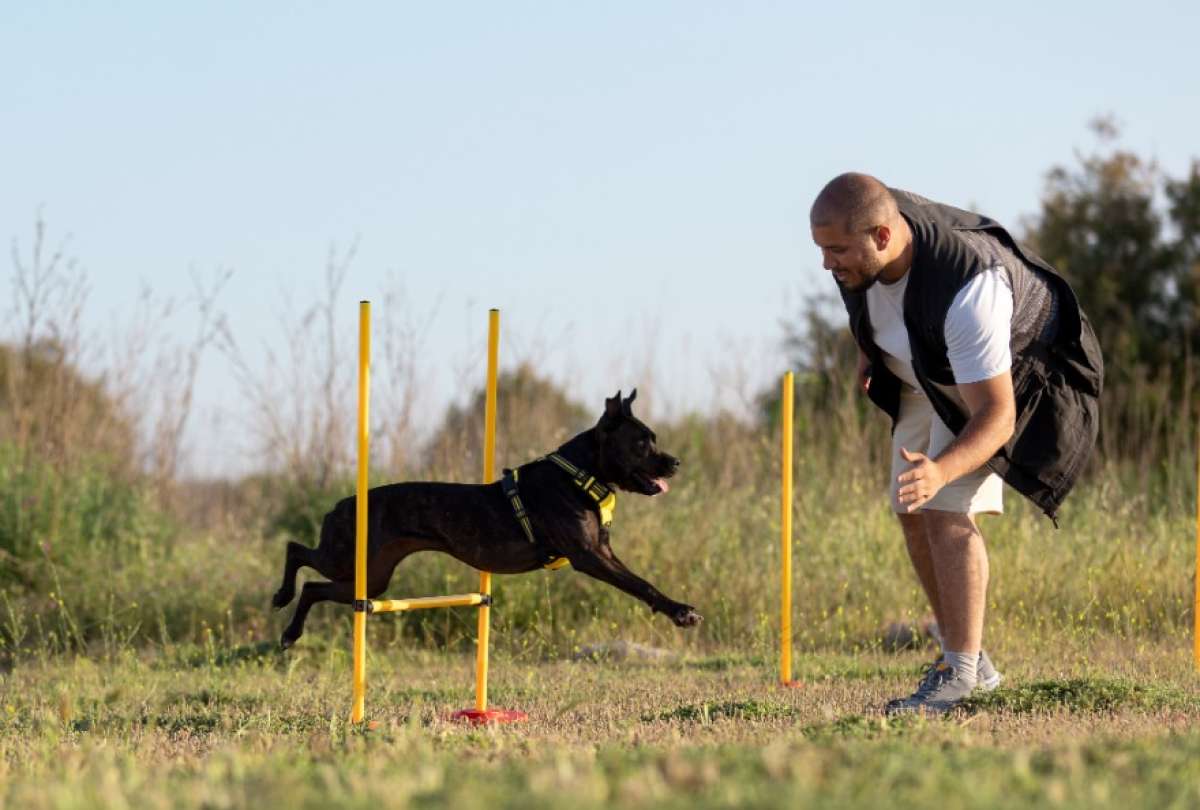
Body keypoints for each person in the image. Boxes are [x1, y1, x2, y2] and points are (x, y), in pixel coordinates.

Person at [810, 173, 1103, 714]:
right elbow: (870, 299)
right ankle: (966, 659)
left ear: (881, 235)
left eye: (836, 250)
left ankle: (961, 678)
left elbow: (996, 417)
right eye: (821, 249)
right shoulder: (861, 243)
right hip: (927, 363)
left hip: (999, 377)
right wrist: (870, 350)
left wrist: (943, 470)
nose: (827, 264)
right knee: (909, 504)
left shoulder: (969, 292)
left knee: (944, 503)